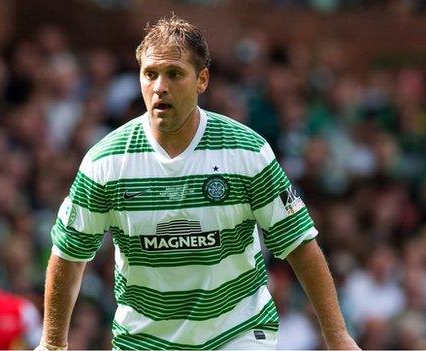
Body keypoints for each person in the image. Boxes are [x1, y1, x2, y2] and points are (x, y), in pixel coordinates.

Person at [39, 16, 359, 350]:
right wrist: (52, 344)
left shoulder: (247, 151)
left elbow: (300, 246)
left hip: (238, 332)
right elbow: (69, 255)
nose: (160, 86)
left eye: (174, 74)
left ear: (201, 80)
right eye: (150, 74)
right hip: (145, 340)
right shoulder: (105, 162)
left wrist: (338, 337)